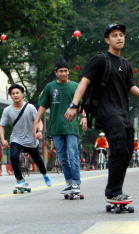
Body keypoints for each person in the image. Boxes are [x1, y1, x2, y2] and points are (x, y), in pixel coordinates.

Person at [64, 24, 139, 202]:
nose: (119, 38)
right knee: (119, 148)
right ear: (107, 40)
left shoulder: (125, 64)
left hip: (122, 112)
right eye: (115, 35)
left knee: (127, 150)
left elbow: (130, 85)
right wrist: (74, 105)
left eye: (121, 35)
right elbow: (84, 82)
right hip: (105, 111)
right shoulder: (100, 60)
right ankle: (112, 192)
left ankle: (116, 190)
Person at [34, 57, 88, 195]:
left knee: (72, 154)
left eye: (65, 71)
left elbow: (83, 105)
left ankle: (76, 183)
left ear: (68, 72)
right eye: (61, 71)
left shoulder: (75, 86)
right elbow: (42, 106)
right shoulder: (50, 87)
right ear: (56, 72)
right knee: (62, 157)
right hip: (56, 127)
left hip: (71, 127)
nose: (63, 73)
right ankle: (69, 183)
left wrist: (84, 117)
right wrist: (36, 122)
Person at [0, 84, 51, 188]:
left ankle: (45, 174)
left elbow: (39, 121)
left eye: (17, 93)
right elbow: (1, 126)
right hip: (16, 139)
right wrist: (3, 139)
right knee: (13, 157)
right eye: (13, 93)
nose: (15, 95)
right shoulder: (7, 110)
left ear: (22, 94)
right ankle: (20, 180)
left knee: (38, 161)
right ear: (10, 96)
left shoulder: (30, 107)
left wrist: (39, 131)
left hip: (31, 140)